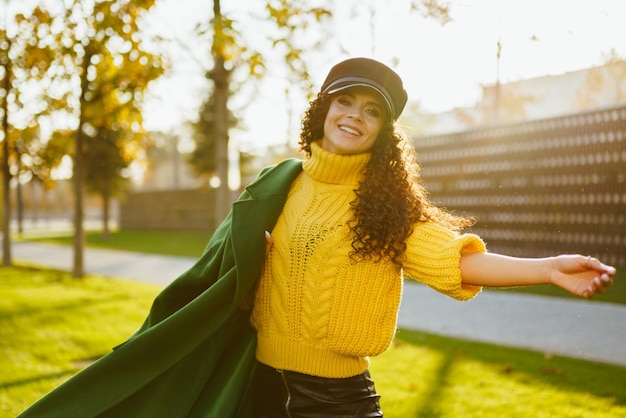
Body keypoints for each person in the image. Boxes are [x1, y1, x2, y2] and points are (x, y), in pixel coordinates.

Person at [19, 58, 615, 418]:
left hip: (336, 401)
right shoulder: (279, 186)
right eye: (345, 101)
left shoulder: (385, 207)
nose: (354, 115)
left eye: (371, 111)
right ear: (324, 109)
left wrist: (547, 267)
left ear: (384, 130)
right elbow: (222, 269)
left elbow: (454, 259)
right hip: (256, 384)